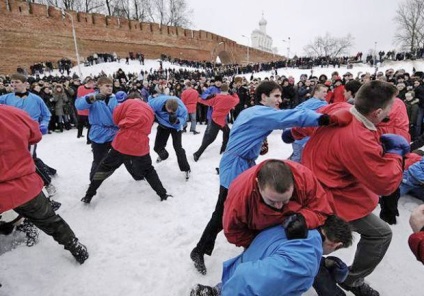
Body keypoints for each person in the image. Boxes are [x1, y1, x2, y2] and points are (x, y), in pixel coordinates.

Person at [190, 81, 342, 275]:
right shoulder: (258, 112)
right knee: (223, 212)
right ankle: (200, 250)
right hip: (235, 165)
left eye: (280, 96)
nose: (280, 100)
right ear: (263, 97)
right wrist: (324, 119)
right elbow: (290, 117)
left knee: (250, 206)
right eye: (276, 96)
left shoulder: (255, 113)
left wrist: (258, 142)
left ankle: (254, 247)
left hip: (243, 163)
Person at [291, 80, 409, 296]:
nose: (393, 109)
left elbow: (312, 120)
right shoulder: (358, 138)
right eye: (392, 105)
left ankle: (320, 266)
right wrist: (395, 154)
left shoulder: (341, 108)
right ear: (378, 111)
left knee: (312, 241)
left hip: (310, 186)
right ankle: (350, 280)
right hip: (330, 199)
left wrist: (296, 133)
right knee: (380, 234)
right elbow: (385, 183)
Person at [0, 104, 89, 264]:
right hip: (24, 185)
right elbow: (35, 136)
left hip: (18, 184)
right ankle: (74, 246)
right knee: (49, 220)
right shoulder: (13, 112)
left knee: (40, 216)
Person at [190, 215, 353, 296]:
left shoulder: (298, 226)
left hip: (240, 268)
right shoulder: (305, 263)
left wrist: (323, 263)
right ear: (336, 244)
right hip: (241, 284)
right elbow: (248, 278)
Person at [81, 92, 170, 203]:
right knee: (148, 170)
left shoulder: (127, 103)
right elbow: (149, 126)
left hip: (123, 142)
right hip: (140, 144)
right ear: (140, 98)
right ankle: (163, 194)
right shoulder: (149, 109)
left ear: (130, 98)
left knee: (104, 168)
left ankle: (89, 195)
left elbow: (116, 119)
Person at [0, 73, 58, 201]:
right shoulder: (4, 98)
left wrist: (43, 125)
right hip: (12, 136)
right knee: (19, 159)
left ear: (25, 84)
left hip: (30, 134)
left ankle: (48, 184)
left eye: (17, 82)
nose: (14, 85)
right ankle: (49, 171)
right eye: (12, 83)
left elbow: (46, 114)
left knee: (30, 159)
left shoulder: (36, 99)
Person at [75, 77, 118, 180]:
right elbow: (79, 105)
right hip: (99, 133)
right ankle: (94, 180)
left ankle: (138, 176)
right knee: (98, 160)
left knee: (125, 156)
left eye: (111, 86)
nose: (110, 88)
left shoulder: (115, 98)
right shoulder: (92, 96)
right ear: (99, 86)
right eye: (107, 86)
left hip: (114, 132)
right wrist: (92, 99)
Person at [148, 85, 191, 180]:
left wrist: (177, 120)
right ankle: (164, 155)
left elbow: (184, 118)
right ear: (165, 105)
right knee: (157, 147)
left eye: (173, 112)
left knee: (178, 148)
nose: (170, 113)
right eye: (169, 111)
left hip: (176, 128)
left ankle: (186, 168)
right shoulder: (157, 102)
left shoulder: (181, 108)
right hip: (163, 125)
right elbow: (147, 107)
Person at [193, 83, 239, 161]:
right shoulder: (231, 99)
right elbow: (237, 100)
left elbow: (205, 102)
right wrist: (234, 93)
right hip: (219, 121)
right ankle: (197, 153)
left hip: (216, 119)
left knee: (227, 132)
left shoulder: (216, 97)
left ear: (220, 89)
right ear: (228, 90)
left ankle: (223, 148)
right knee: (212, 138)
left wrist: (199, 98)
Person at [289, 84, 328, 163]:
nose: (326, 94)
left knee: (298, 159)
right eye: (323, 92)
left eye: (326, 92)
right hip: (303, 139)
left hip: (298, 136)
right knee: (299, 161)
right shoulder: (321, 104)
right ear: (316, 92)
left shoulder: (307, 102)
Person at [76, 76, 95, 142]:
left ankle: (88, 140)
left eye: (93, 83)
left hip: (88, 111)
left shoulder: (93, 90)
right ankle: (79, 134)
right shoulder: (80, 88)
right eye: (91, 83)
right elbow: (79, 98)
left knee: (90, 126)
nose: (92, 84)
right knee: (81, 123)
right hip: (81, 110)